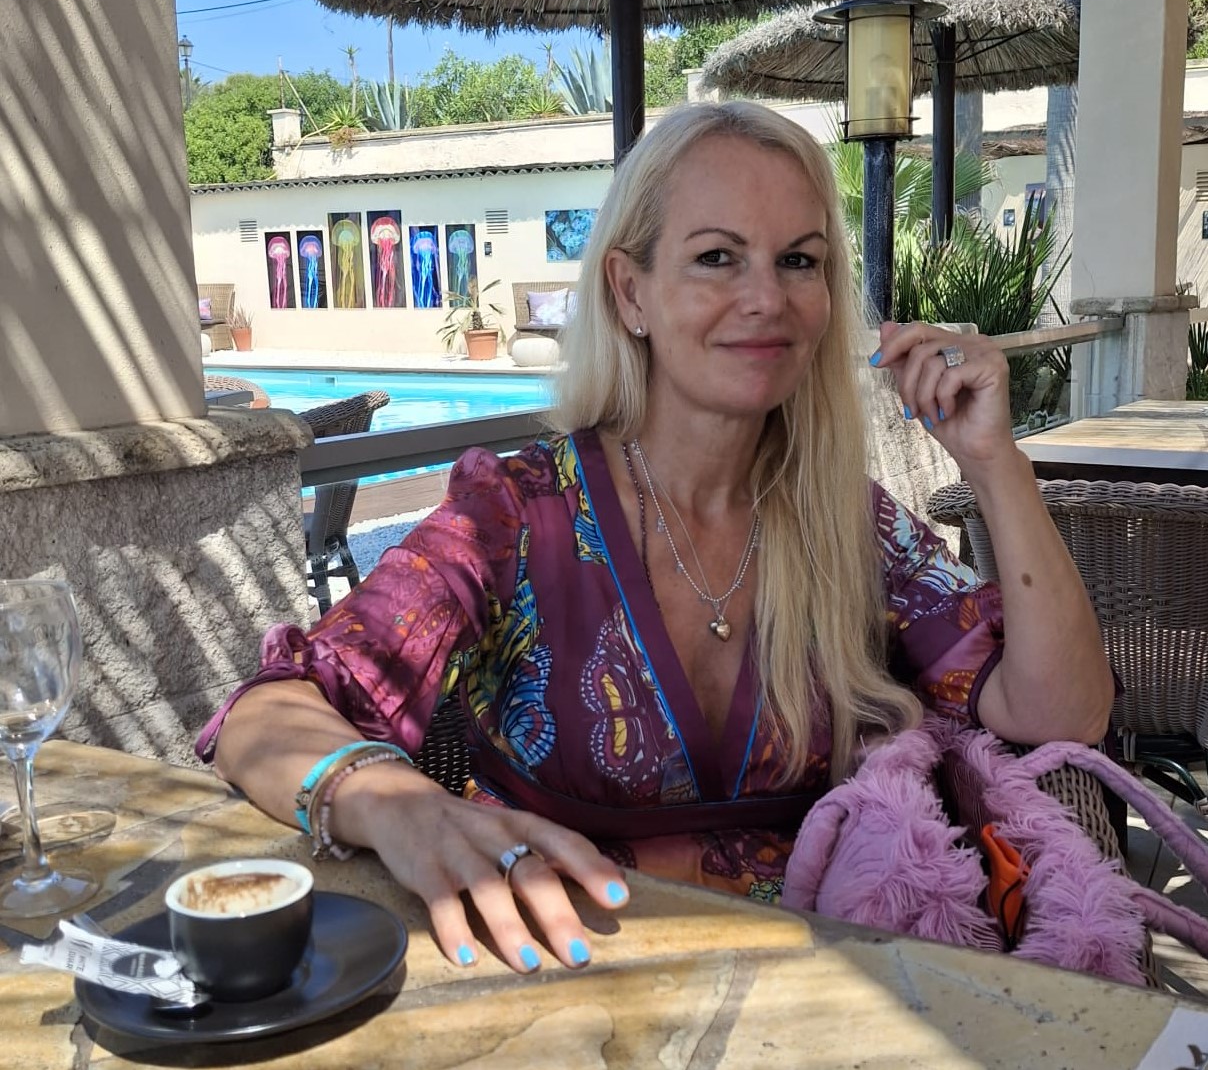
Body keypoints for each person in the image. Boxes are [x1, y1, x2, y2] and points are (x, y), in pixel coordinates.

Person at [199, 101, 1113, 977]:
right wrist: (390, 800)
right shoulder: (518, 515)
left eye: (800, 261)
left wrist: (997, 464)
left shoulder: (848, 522)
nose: (768, 298)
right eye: (718, 257)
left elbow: (1060, 713)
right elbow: (265, 711)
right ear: (630, 291)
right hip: (564, 979)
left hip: (817, 999)